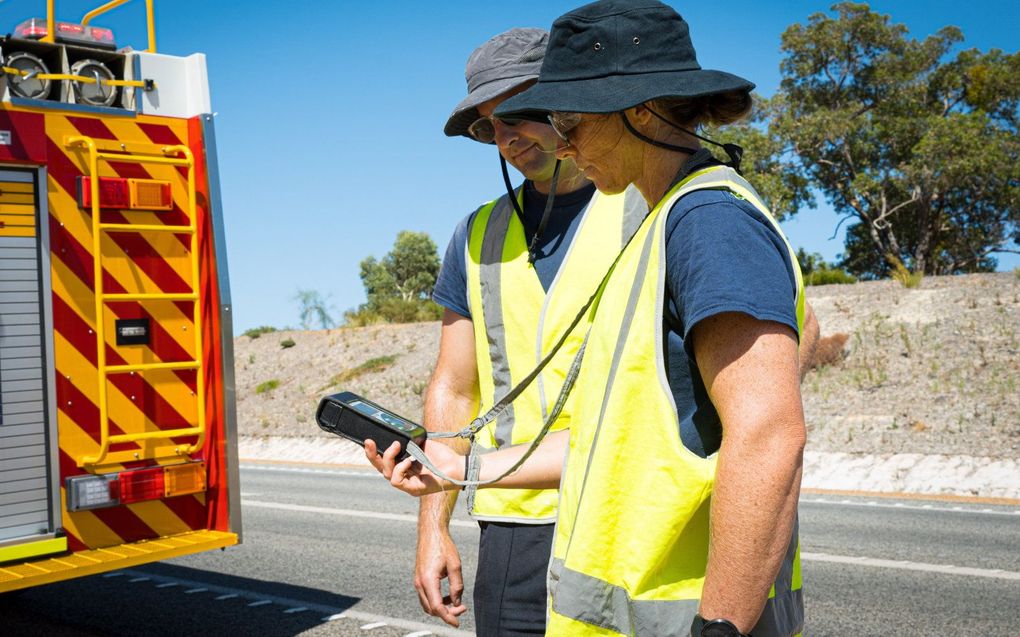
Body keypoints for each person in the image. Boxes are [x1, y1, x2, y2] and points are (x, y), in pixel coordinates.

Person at [370, 2, 812, 636]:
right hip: (587, 554)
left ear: (638, 109)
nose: (561, 140)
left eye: (564, 118)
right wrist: (456, 473)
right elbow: (612, 432)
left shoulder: (704, 221)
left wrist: (721, 628)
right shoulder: (653, 224)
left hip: (680, 584)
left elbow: (768, 432)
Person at [420, 27, 649, 635]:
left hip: (625, 515)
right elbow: (454, 388)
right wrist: (433, 527)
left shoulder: (649, 204)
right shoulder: (477, 234)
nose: (508, 135)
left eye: (522, 111)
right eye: (491, 125)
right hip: (514, 524)